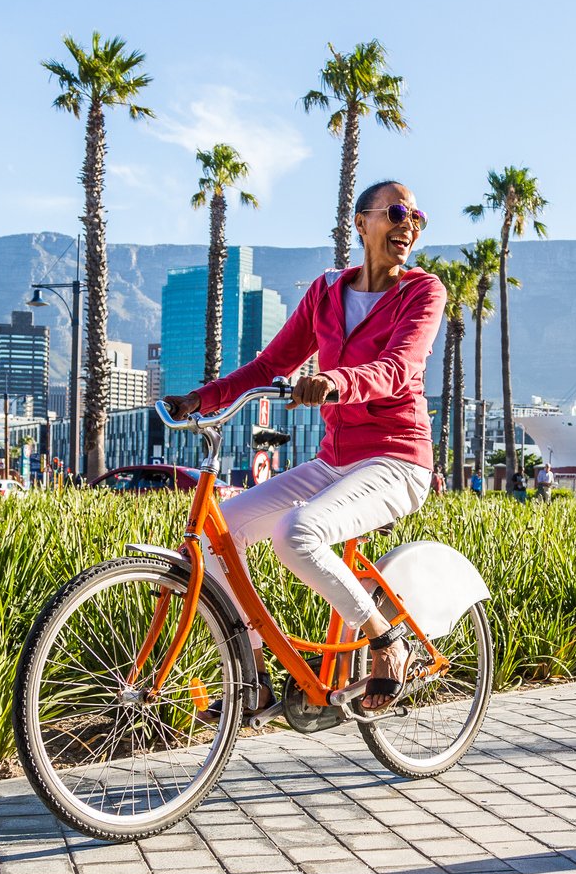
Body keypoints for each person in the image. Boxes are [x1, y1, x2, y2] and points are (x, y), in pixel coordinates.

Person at [167, 180, 443, 711]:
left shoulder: (422, 292)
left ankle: (386, 641)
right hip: (334, 462)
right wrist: (198, 400)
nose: (408, 223)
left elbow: (399, 368)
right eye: (396, 212)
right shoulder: (325, 292)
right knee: (213, 539)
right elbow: (270, 366)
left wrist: (338, 383)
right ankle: (251, 672)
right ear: (361, 224)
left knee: (296, 532)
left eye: (417, 217)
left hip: (397, 459)